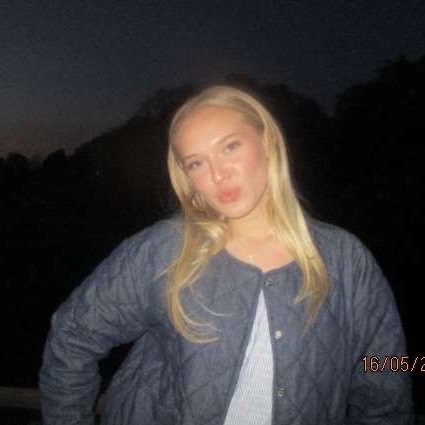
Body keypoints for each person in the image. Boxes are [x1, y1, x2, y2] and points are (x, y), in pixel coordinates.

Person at [39, 85, 414, 425]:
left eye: (230, 147)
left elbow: (389, 367)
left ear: (266, 141)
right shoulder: (161, 250)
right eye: (196, 163)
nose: (218, 174)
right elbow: (72, 336)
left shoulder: (346, 260)